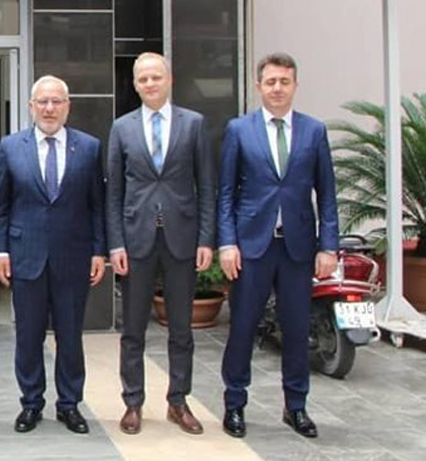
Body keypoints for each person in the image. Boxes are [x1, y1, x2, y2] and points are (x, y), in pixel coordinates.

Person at [217, 52, 338, 439]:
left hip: (298, 249)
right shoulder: (239, 130)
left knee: (297, 329)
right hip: (252, 247)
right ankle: (235, 403)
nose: (277, 88)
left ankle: (296, 406)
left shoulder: (314, 131)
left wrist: (328, 246)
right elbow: (226, 193)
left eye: (284, 81)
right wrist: (227, 243)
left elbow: (327, 194)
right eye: (270, 82)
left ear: (295, 85)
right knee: (242, 327)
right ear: (259, 86)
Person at [106, 52, 216, 435]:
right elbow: (113, 193)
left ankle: (178, 401)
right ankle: (133, 402)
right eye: (143, 79)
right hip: (136, 241)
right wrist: (115, 244)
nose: (150, 84)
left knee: (181, 329)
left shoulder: (193, 124)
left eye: (156, 77)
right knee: (133, 329)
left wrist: (206, 238)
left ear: (169, 79)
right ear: (135, 85)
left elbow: (207, 186)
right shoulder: (121, 128)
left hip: (182, 239)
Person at [0, 75, 106, 434]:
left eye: (56, 101)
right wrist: (0, 250)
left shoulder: (89, 148)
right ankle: (31, 403)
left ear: (67, 106)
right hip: (25, 255)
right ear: (31, 106)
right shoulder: (11, 147)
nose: (49, 108)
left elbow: (97, 205)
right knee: (28, 336)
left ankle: (69, 404)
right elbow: (0, 205)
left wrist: (99, 251)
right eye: (42, 101)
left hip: (73, 256)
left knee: (70, 336)